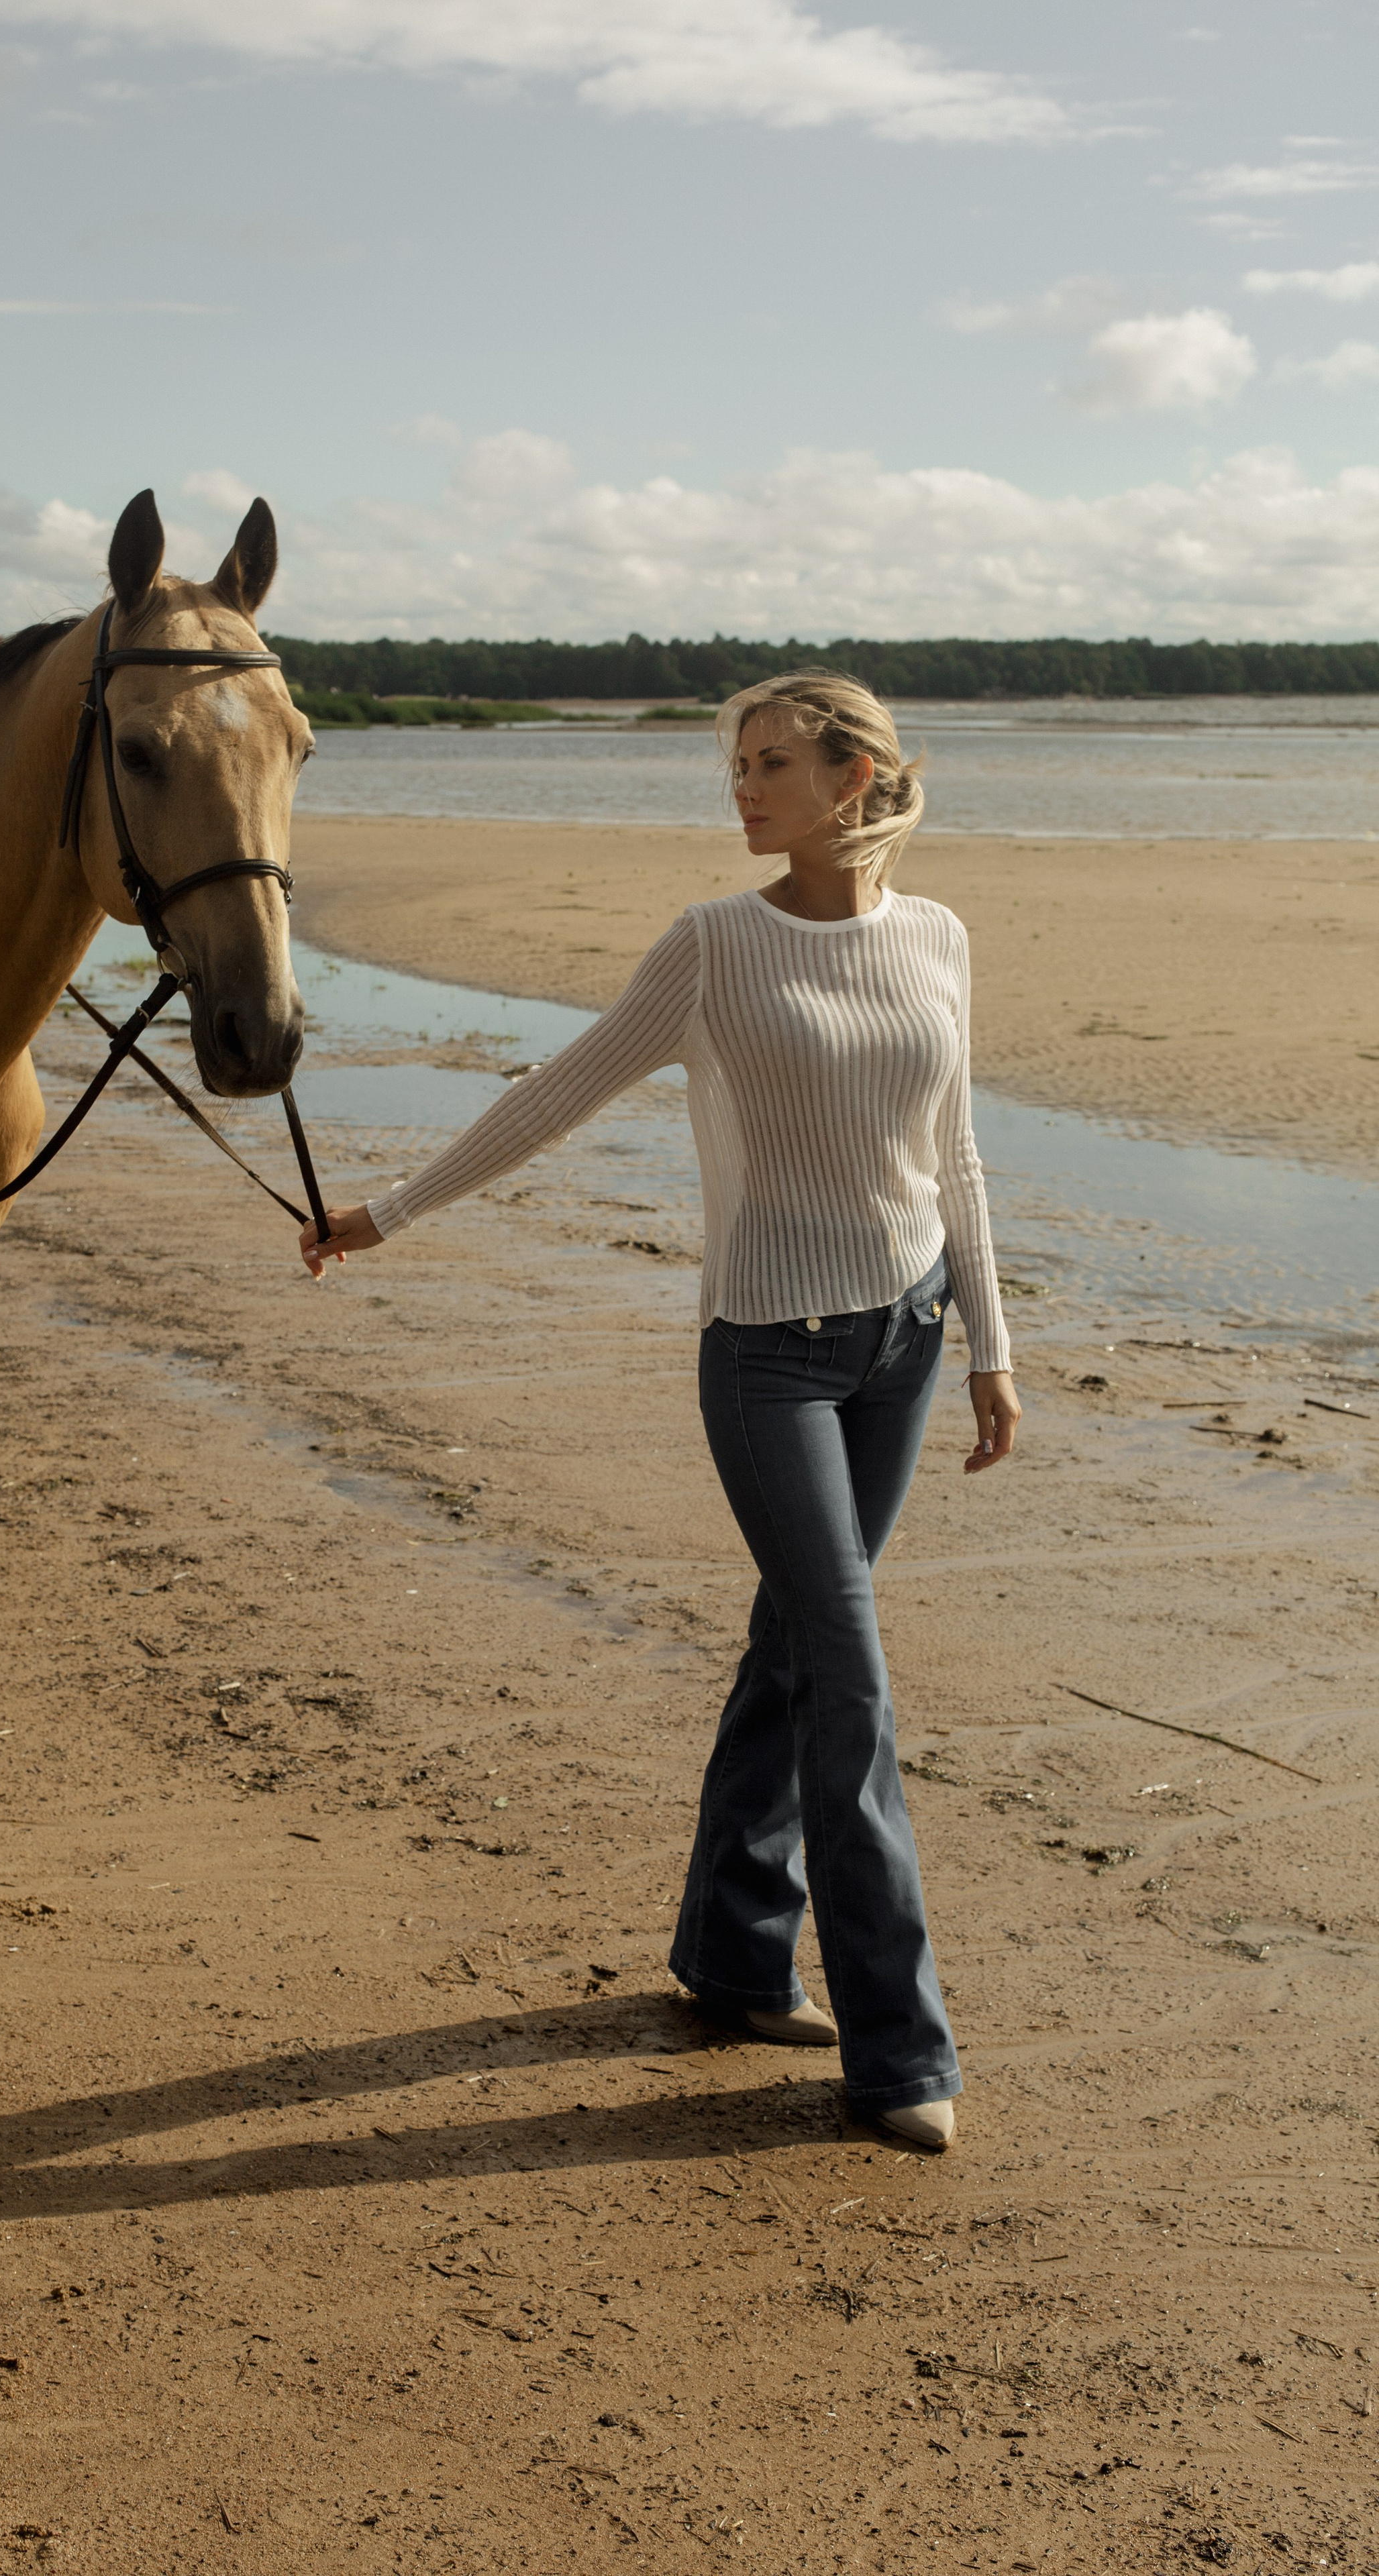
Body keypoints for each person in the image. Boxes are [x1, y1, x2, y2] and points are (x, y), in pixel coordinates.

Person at [298, 671, 1020, 2151]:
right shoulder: (710, 948)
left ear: (855, 775)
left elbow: (955, 1160)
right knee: (852, 1679)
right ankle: (898, 2054)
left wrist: (992, 1345)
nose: (741, 788)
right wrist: (389, 1212)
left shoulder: (937, 938)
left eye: (771, 762)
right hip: (766, 1354)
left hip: (905, 1337)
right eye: (734, 764)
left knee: (798, 1653)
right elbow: (557, 1092)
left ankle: (735, 1955)